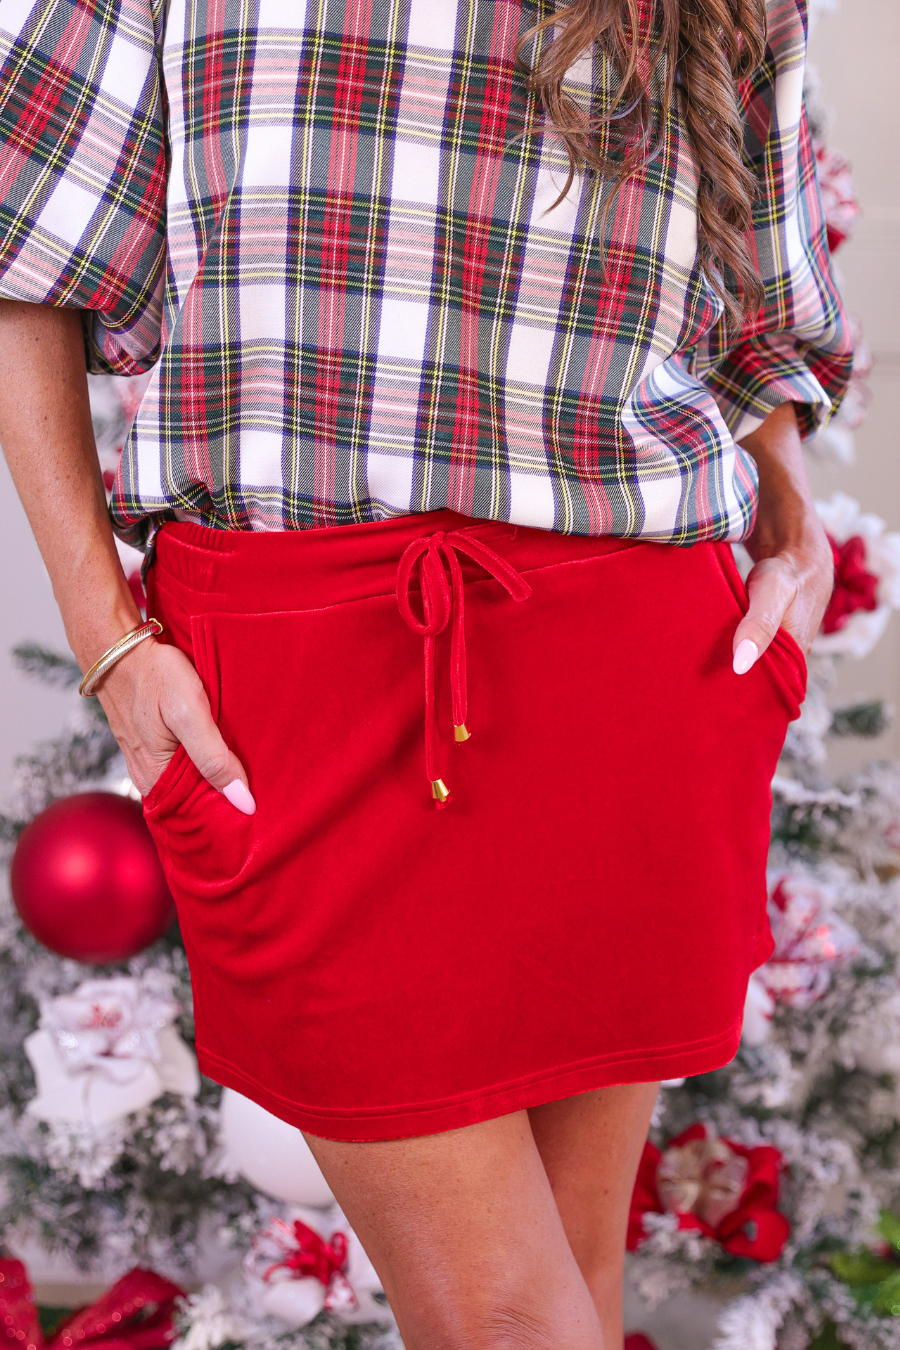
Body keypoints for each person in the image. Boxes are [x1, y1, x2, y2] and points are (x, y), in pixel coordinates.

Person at [0, 0, 850, 1344]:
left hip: (636, 648)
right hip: (304, 665)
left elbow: (763, 316)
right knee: (500, 1312)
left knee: (568, 1276)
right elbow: (24, 265)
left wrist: (792, 516)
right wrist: (107, 640)